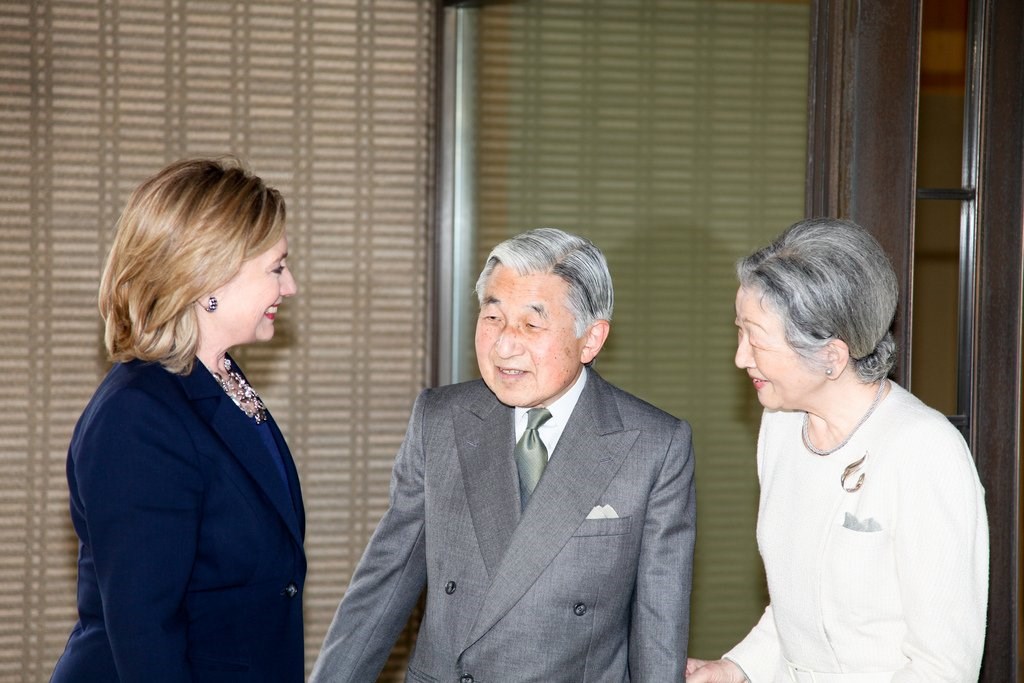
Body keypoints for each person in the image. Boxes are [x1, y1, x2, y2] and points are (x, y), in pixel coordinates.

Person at [311, 227, 696, 682]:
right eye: (492, 318)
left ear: (591, 339)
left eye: (532, 325)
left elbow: (659, 626)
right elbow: (384, 582)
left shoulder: (653, 445)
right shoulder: (442, 419)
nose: (505, 344)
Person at [686, 218, 988, 682]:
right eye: (739, 331)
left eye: (757, 339)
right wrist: (737, 667)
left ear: (831, 355)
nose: (741, 357)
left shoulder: (925, 452)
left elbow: (944, 667)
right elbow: (799, 605)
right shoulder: (782, 425)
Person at [51, 158, 306, 682]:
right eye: (277, 268)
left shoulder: (219, 380)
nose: (291, 287)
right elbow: (145, 634)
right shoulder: (137, 418)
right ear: (208, 275)